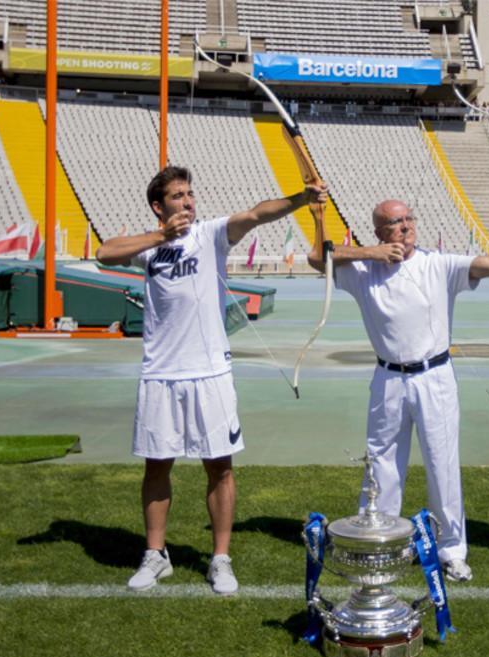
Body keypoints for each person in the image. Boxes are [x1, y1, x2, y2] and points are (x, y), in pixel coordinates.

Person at [309, 199, 489, 582]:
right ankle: (383, 539)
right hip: (388, 378)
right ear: (379, 231)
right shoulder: (363, 270)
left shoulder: (437, 264)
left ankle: (450, 549)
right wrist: (372, 253)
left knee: (442, 463)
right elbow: (318, 257)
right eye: (395, 223)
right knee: (381, 464)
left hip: (434, 376)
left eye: (409, 219)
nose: (405, 227)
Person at [96, 166, 327, 594]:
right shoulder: (149, 246)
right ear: (158, 205)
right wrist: (161, 237)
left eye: (190, 194)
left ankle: (220, 558)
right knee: (156, 465)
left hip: (210, 373)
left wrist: (299, 199)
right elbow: (104, 253)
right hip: (161, 372)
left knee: (220, 466)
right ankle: (155, 554)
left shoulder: (211, 234)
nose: (187, 201)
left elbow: (256, 215)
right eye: (178, 195)